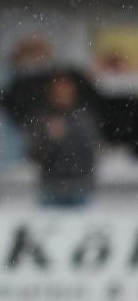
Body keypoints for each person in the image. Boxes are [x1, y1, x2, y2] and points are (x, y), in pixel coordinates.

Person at [29, 74, 100, 206]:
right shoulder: (43, 119)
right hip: (51, 187)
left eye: (65, 90)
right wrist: (52, 140)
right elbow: (35, 154)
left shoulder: (83, 119)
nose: (62, 94)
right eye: (58, 90)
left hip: (79, 187)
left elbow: (90, 152)